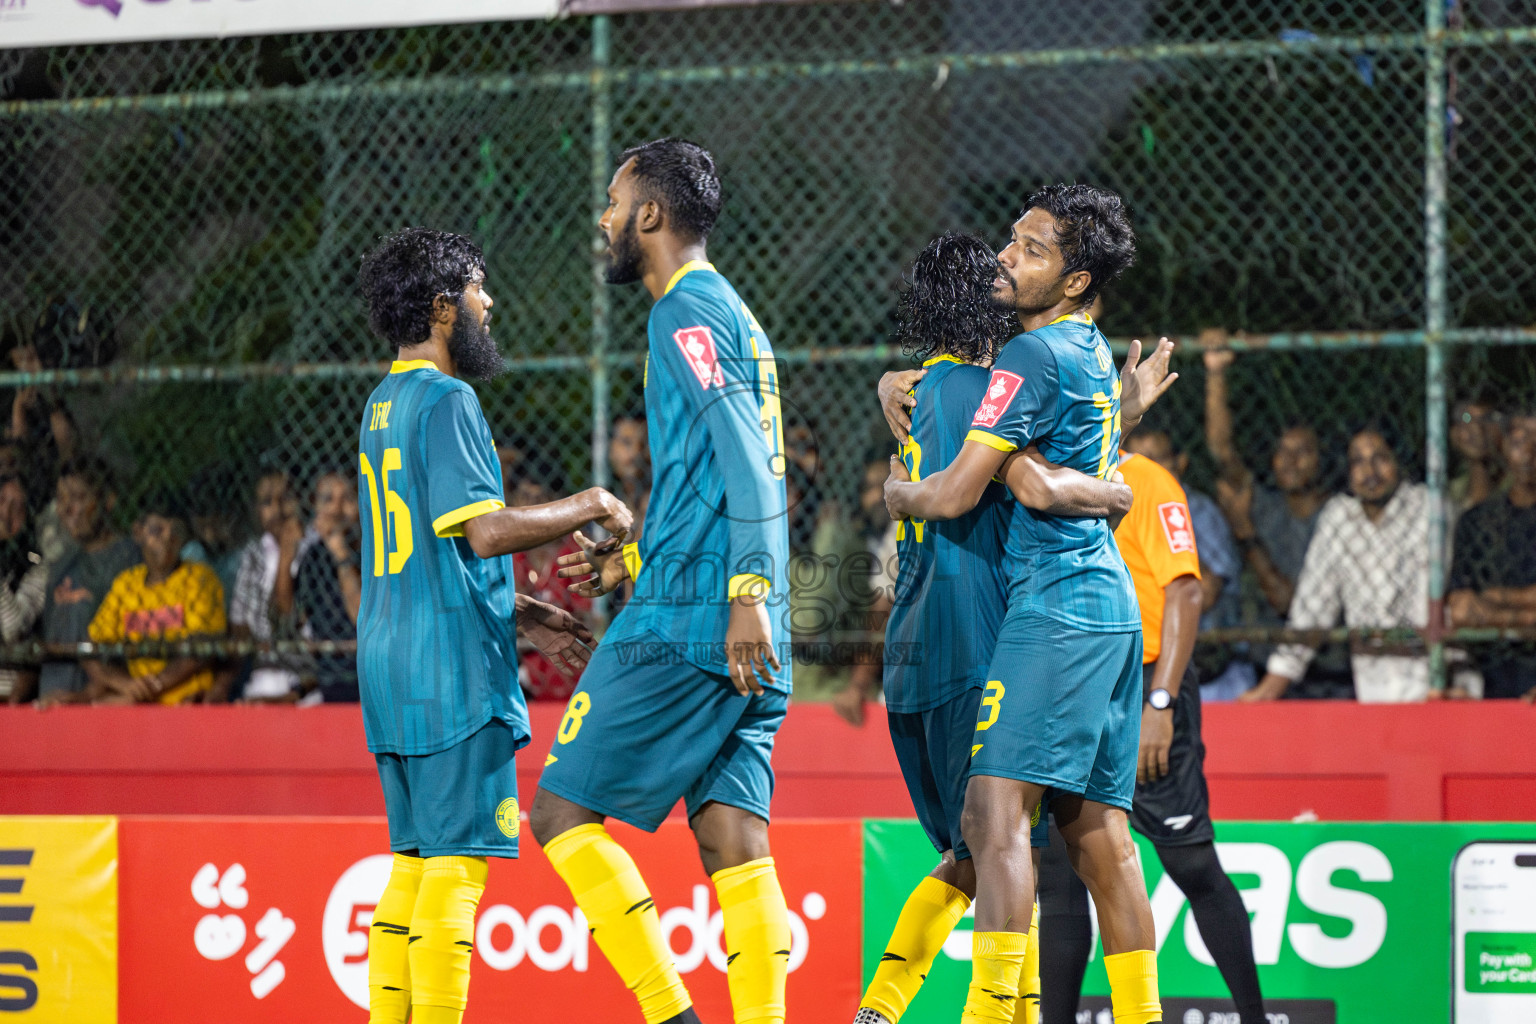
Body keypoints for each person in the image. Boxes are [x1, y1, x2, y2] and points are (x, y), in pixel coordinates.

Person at [856, 233, 1172, 1024]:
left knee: (984, 849)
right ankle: (939, 1011)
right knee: (1007, 847)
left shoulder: (925, 387)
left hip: (914, 653)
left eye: (1024, 250)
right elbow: (1023, 476)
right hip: (986, 637)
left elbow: (1006, 452)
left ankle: (886, 1009)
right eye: (1000, 260)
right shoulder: (995, 381)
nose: (1008, 263)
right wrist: (1110, 474)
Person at [533, 138, 791, 1024]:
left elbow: (751, 464)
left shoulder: (683, 311)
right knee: (732, 840)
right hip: (733, 610)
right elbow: (712, 479)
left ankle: (670, 1017)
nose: (602, 217)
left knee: (560, 813)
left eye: (613, 199)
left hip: (700, 617)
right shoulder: (729, 312)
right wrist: (634, 558)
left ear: (650, 214)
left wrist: (745, 594)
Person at [355, 226, 629, 1024]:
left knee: (412, 863)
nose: (490, 302)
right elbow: (481, 531)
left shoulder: (381, 401)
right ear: (444, 308)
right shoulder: (449, 399)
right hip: (448, 675)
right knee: (457, 870)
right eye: (479, 288)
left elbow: (422, 557)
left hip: (391, 663)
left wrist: (522, 610)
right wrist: (595, 501)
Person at [1038, 447, 1265, 1024]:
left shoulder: (1148, 480)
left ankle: (1255, 1019)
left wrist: (1160, 702)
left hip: (1145, 683)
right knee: (1063, 880)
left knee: (1190, 865)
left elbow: (1185, 592)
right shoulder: (1048, 481)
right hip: (1073, 683)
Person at [1243, 426, 1430, 703]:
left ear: (1398, 462)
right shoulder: (1339, 517)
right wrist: (1272, 685)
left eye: (1380, 458)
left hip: (1432, 677)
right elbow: (1312, 607)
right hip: (1373, 686)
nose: (1370, 471)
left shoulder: (1425, 507)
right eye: (1358, 461)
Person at [1120, 426, 1253, 701]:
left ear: (1179, 462)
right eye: (1139, 458)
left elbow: (1204, 592)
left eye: (1157, 458)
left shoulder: (1199, 510)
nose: (1147, 467)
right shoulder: (1118, 500)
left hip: (1213, 664)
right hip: (1134, 658)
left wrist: (1163, 539)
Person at [84, 495, 226, 704]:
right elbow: (90, 648)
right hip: (136, 700)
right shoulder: (127, 584)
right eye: (157, 530)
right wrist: (124, 684)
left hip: (184, 701)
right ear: (138, 533)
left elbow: (200, 651)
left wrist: (150, 687)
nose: (167, 538)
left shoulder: (199, 578)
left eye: (176, 531)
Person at [36, 457, 139, 705]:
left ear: (108, 501)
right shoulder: (61, 564)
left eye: (78, 498)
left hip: (98, 705)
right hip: (51, 702)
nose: (66, 509)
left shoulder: (129, 558)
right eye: (61, 500)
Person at [1448, 411, 1536, 700]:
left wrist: (1496, 600)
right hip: (1491, 674)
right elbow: (1461, 609)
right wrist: (1525, 613)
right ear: (1503, 444)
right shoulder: (1477, 522)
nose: (1530, 452)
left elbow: (1480, 606)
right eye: (1520, 440)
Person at [505, 449, 593, 701]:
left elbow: (583, 620)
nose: (530, 507)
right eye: (524, 497)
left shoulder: (573, 551)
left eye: (540, 498)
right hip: (521, 676)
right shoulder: (507, 555)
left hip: (568, 675)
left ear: (555, 501)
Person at [226, 469, 305, 702]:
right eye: (267, 502)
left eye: (285, 499)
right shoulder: (253, 554)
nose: (277, 510)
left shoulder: (312, 548)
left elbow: (286, 618)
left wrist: (286, 558)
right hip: (262, 670)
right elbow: (239, 625)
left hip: (304, 670)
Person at [293, 468, 363, 703]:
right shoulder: (312, 558)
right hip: (329, 676)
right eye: (328, 500)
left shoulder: (374, 552)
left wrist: (339, 549)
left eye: (347, 499)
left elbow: (361, 617)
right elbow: (293, 620)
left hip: (366, 674)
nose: (337, 510)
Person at [0, 475, 47, 702]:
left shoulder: (36, 566)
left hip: (8, 693)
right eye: (1, 501)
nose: (5, 514)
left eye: (17, 507)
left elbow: (13, 629)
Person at [1449, 395, 1504, 514]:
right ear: (1454, 433)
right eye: (1466, 418)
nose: (1477, 428)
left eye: (1488, 419)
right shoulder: (1448, 493)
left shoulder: (1517, 488)